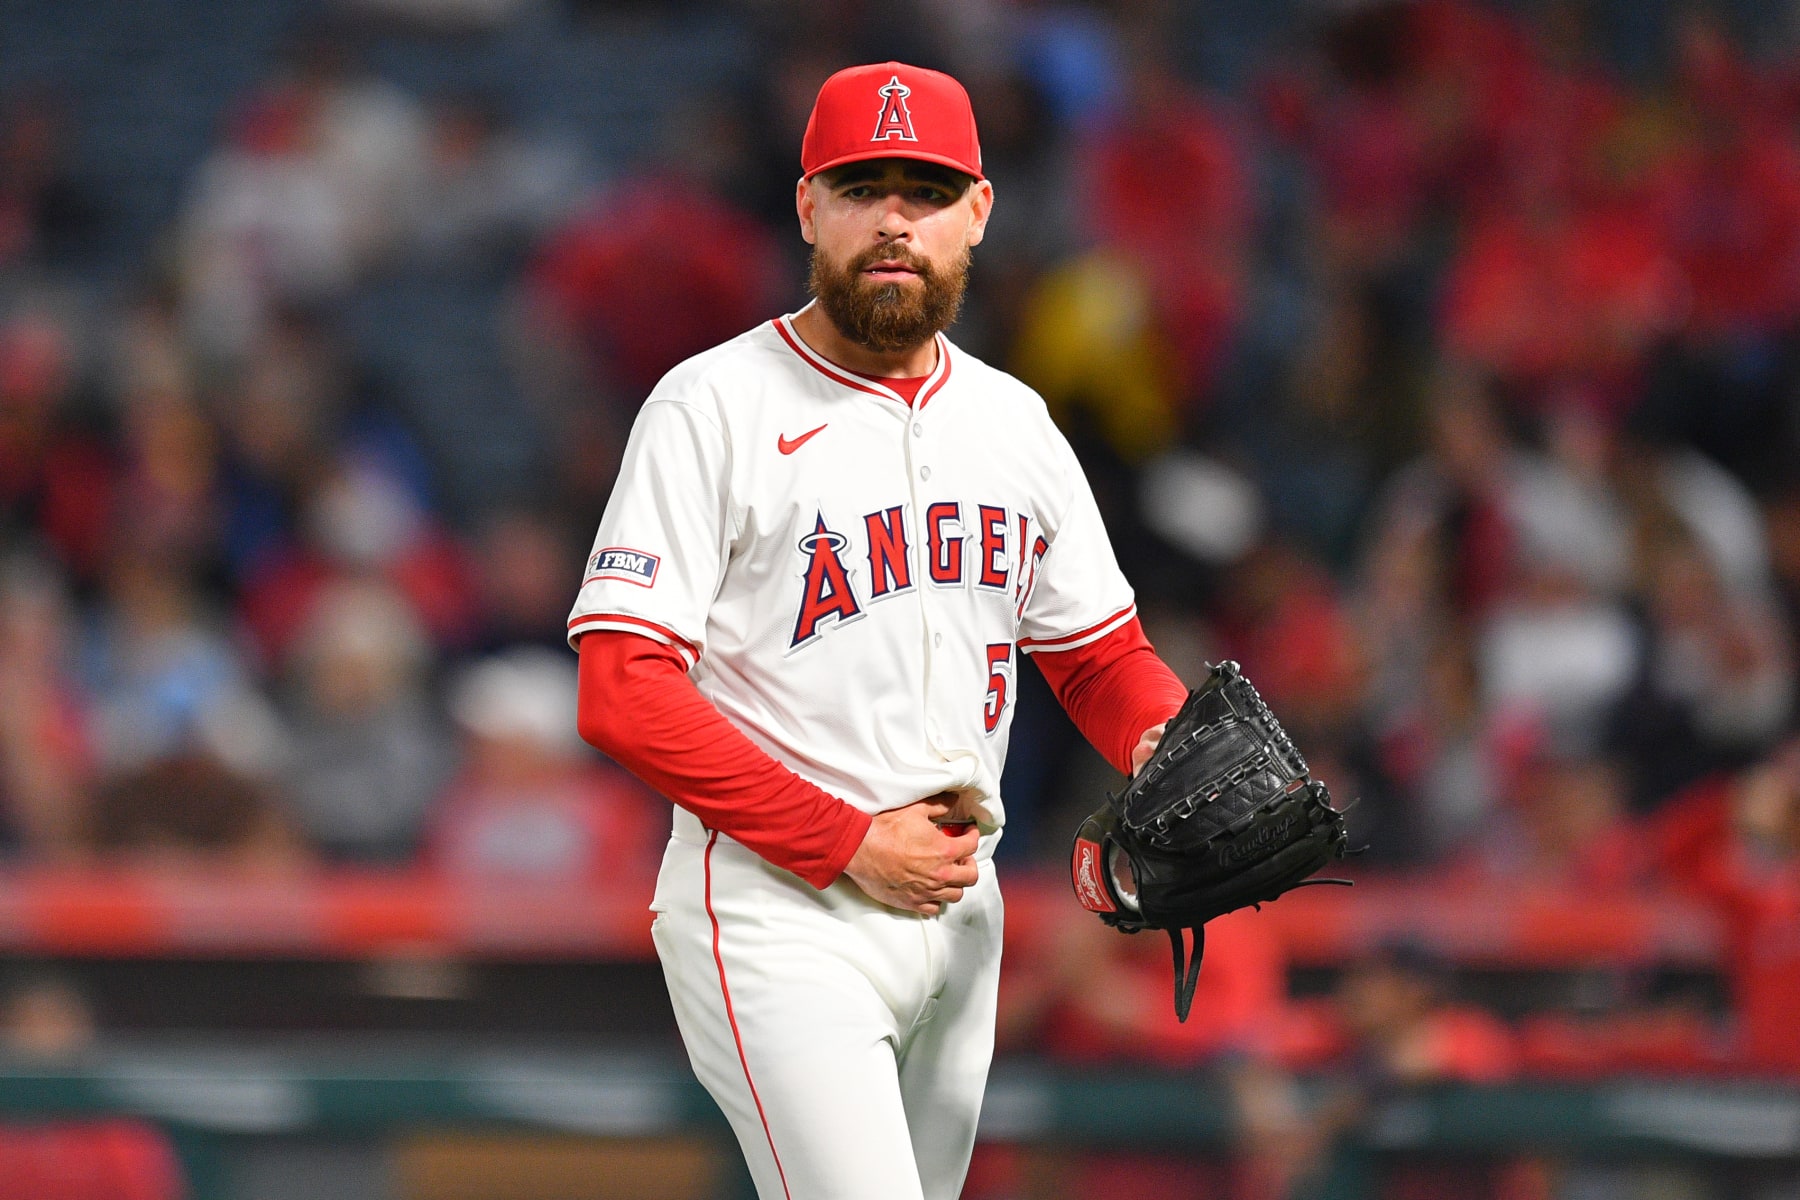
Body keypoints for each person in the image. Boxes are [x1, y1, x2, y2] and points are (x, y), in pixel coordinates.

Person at [571, 61, 1188, 1200]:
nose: (895, 220)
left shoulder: (1014, 422)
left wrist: (1161, 740)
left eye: (927, 188)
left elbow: (1099, 656)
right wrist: (847, 841)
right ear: (808, 206)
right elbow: (622, 689)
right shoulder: (714, 406)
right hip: (778, 908)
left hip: (962, 910)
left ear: (980, 214)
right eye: (863, 187)